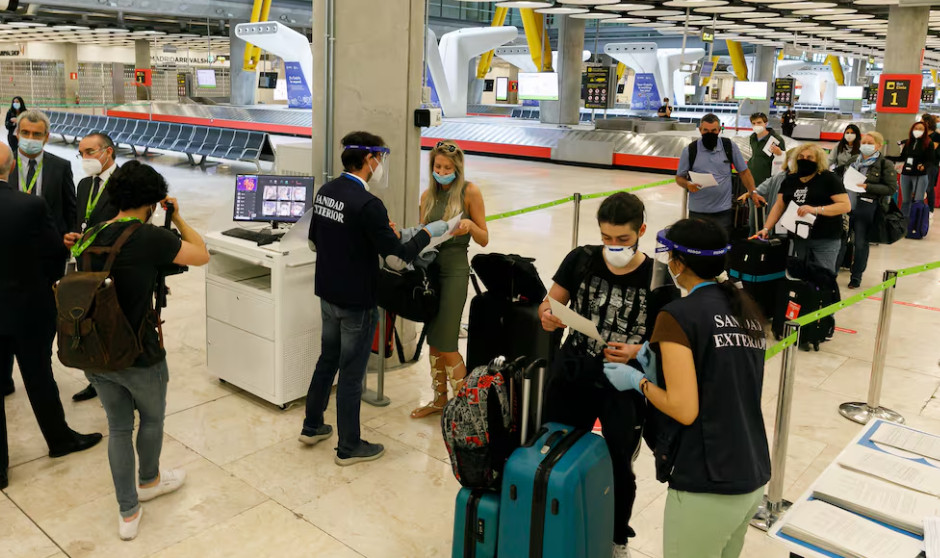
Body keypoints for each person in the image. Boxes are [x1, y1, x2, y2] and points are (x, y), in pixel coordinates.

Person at [603, 218, 770, 558]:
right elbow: (720, 379)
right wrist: (660, 369)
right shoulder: (745, 309)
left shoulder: (678, 314)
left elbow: (684, 408)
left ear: (678, 264)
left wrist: (639, 380)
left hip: (707, 481)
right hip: (750, 471)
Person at [73, 160, 210, 540]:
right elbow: (202, 254)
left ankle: (128, 512)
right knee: (150, 420)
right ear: (152, 200)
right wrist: (178, 218)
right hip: (138, 352)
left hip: (95, 349)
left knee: (118, 428)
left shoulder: (91, 233)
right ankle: (149, 481)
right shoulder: (149, 238)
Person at [300, 131, 449, 465]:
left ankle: (312, 425)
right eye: (380, 159)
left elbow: (316, 241)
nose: (381, 165)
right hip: (357, 300)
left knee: (328, 359)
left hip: (327, 293)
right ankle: (348, 446)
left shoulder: (327, 192)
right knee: (352, 374)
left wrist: (371, 236)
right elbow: (396, 259)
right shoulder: (368, 204)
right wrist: (427, 233)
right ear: (369, 160)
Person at [539, 193, 660, 558]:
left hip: (623, 382)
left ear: (640, 231)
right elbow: (550, 303)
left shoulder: (657, 277)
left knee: (619, 463)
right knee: (554, 447)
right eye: (606, 238)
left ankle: (616, 537)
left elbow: (667, 341)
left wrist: (637, 351)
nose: (613, 247)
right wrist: (547, 315)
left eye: (622, 240)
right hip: (574, 369)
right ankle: (552, 520)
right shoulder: (581, 259)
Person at [0, 142, 103, 490]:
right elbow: (50, 251)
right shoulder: (29, 205)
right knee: (39, 376)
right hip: (29, 306)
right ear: (10, 168)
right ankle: (59, 440)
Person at [410, 140, 488, 419]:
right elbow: (421, 236)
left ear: (458, 168)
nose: (442, 171)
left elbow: (484, 238)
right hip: (431, 272)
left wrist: (470, 226)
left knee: (448, 342)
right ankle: (440, 400)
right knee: (433, 339)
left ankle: (469, 409)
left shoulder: (469, 192)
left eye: (447, 167)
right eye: (438, 166)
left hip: (455, 271)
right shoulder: (426, 197)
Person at [1, 109, 76, 397]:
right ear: (17, 134)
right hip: (9, 255)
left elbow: (69, 208)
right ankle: (4, 376)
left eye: (37, 134)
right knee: (5, 317)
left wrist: (69, 238)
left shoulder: (60, 166)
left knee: (42, 318)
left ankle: (39, 362)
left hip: (48, 256)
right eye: (26, 133)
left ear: (46, 137)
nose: (31, 139)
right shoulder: (4, 166)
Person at [64, 131, 121, 403]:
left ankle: (120, 382)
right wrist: (74, 236)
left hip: (114, 267)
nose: (85, 158)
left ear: (107, 151)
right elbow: (81, 221)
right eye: (81, 153)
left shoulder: (125, 184)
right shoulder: (85, 184)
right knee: (88, 323)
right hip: (85, 265)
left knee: (113, 325)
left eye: (90, 152)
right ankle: (96, 380)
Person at [759, 143, 852, 274]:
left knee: (824, 276)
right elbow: (779, 205)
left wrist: (816, 210)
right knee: (802, 275)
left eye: (809, 158)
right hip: (799, 237)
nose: (804, 160)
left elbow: (845, 206)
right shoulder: (790, 179)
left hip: (825, 237)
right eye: (801, 156)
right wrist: (766, 228)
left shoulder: (829, 179)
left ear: (818, 160)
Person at [675, 114, 762, 234]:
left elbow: (744, 172)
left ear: (719, 130)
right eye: (706, 130)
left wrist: (753, 192)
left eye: (713, 130)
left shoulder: (729, 146)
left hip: (723, 211)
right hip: (698, 211)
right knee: (697, 246)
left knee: (720, 247)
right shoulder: (690, 150)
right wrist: (688, 184)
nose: (709, 133)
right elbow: (679, 178)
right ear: (700, 130)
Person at [844, 132, 897, 289]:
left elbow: (891, 188)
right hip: (847, 206)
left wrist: (868, 186)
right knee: (840, 242)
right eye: (864, 142)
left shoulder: (884, 164)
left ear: (878, 145)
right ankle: (833, 271)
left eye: (870, 143)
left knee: (860, 243)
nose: (865, 145)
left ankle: (856, 276)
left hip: (866, 208)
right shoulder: (854, 161)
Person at [888, 120, 936, 222]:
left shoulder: (928, 143)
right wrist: (887, 158)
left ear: (925, 131)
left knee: (918, 200)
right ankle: (904, 223)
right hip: (906, 174)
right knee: (905, 200)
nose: (918, 131)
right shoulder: (908, 143)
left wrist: (924, 166)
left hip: (920, 175)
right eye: (916, 129)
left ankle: (916, 223)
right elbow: (902, 158)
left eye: (921, 129)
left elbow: (931, 160)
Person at [747, 112, 786, 187]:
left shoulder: (777, 140)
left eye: (759, 123)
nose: (756, 125)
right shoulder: (752, 138)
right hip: (753, 176)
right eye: (753, 123)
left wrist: (780, 153)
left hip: (768, 179)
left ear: (765, 123)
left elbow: (783, 161)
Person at [921, 113, 939, 213]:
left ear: (927, 123)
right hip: (920, 163)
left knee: (929, 187)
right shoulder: (921, 134)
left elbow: (933, 148)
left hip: (932, 164)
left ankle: (931, 210)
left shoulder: (936, 136)